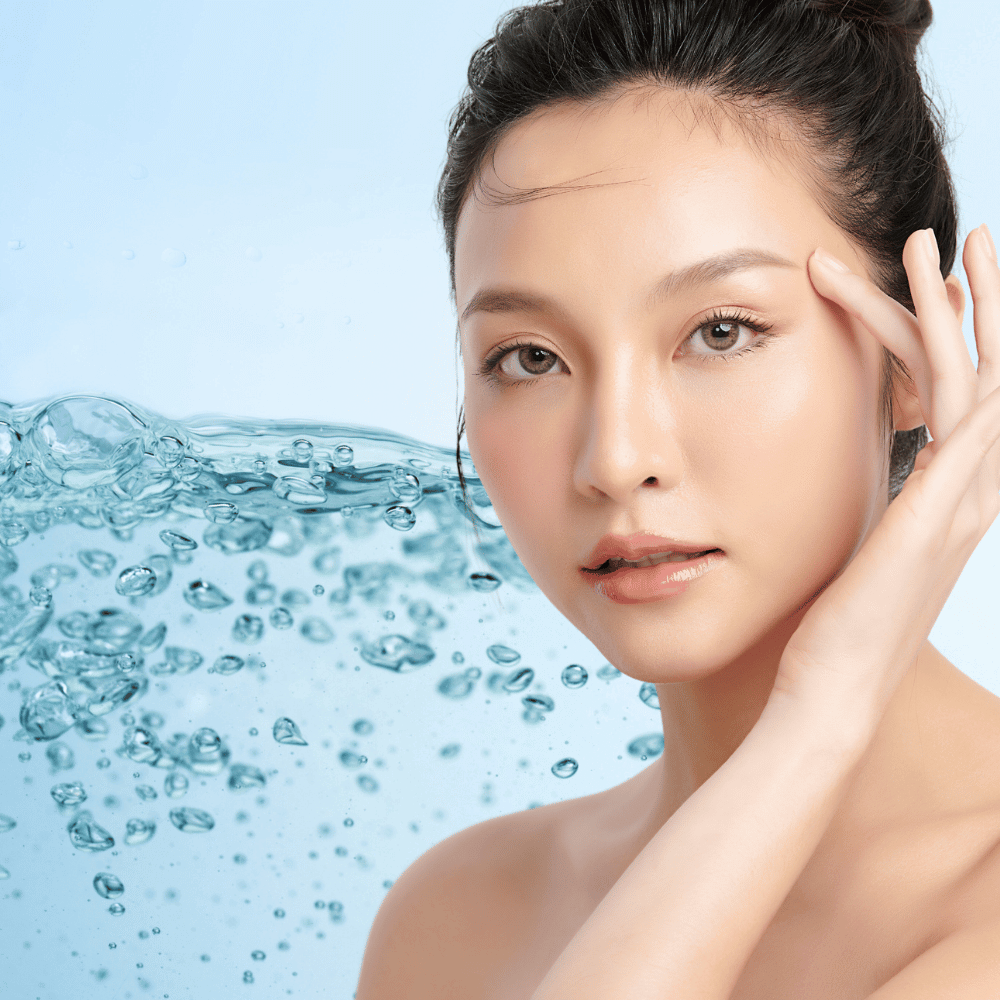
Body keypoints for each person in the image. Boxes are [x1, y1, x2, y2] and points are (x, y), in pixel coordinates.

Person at [356, 1, 1000, 996]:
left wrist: (823, 713)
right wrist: (812, 723)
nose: (614, 459)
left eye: (721, 331)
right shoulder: (459, 917)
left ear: (913, 353)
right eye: (530, 357)